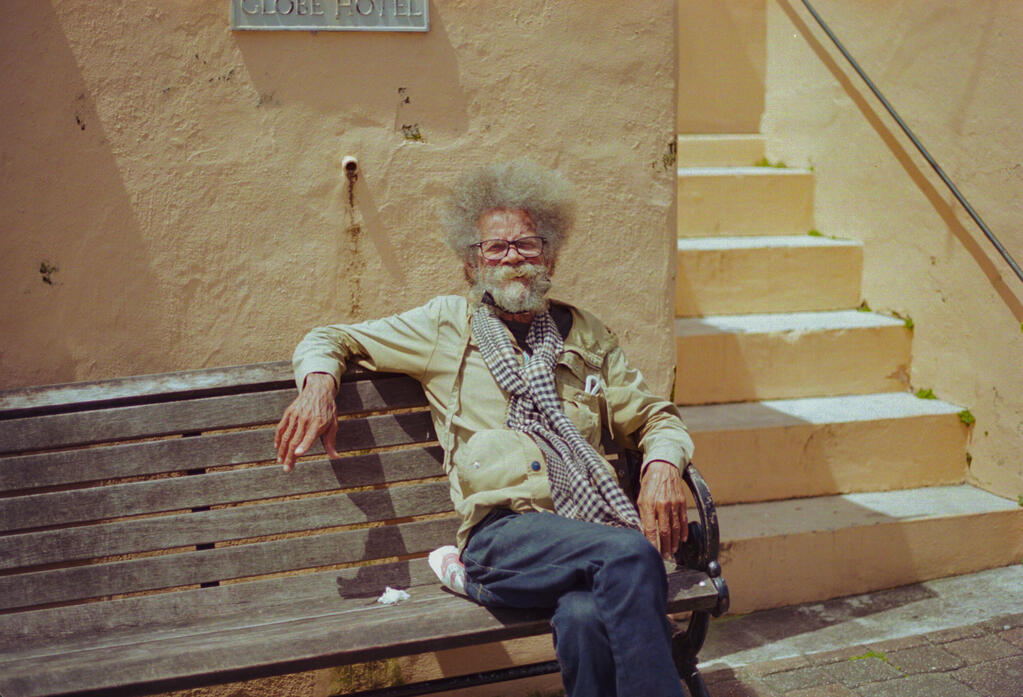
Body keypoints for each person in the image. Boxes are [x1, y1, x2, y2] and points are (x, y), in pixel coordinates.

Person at [275, 160, 695, 697]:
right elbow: (330, 337)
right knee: (632, 554)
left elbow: (654, 416)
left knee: (585, 617)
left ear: (550, 255)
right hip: (503, 536)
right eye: (495, 248)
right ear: (472, 266)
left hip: (584, 534)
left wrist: (661, 465)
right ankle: (473, 574)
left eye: (527, 244)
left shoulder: (586, 335)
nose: (513, 258)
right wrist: (318, 387)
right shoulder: (444, 325)